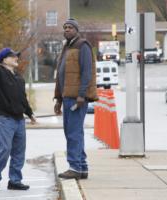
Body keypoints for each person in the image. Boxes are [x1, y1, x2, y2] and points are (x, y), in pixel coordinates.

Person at [0, 47, 36, 190]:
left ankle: (14, 181)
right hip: (6, 119)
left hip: (20, 120)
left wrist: (30, 113)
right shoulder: (0, 72)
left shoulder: (19, 78)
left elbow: (23, 99)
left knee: (19, 152)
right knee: (5, 149)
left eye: (16, 56)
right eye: (13, 56)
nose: (16, 58)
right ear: (4, 59)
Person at [54, 18, 97, 179]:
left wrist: (81, 95)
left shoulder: (82, 45)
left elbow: (87, 72)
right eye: (65, 27)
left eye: (70, 27)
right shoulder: (66, 47)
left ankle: (74, 167)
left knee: (73, 133)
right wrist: (58, 99)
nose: (66, 29)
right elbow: (61, 75)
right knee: (73, 132)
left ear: (76, 30)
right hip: (66, 98)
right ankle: (82, 167)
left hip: (77, 98)